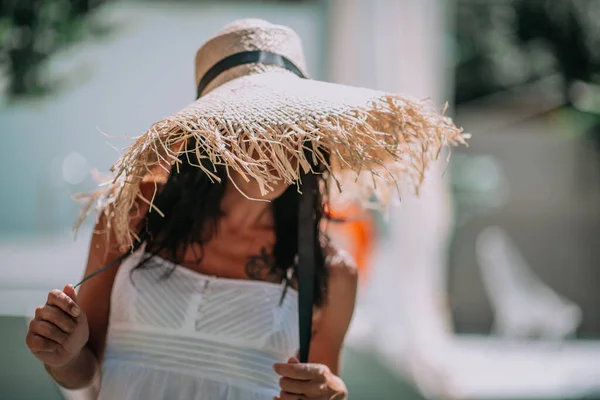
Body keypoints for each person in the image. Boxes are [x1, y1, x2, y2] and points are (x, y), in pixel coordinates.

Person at [25, 19, 466, 400]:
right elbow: (85, 373)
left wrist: (332, 394)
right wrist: (62, 355)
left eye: (289, 125)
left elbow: (320, 387)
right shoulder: (137, 211)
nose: (274, 144)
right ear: (212, 137)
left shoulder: (331, 273)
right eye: (251, 123)